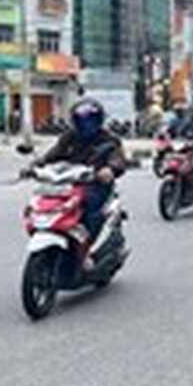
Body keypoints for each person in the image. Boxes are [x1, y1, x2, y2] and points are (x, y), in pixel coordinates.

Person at [32, 98, 127, 269]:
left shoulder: (109, 139)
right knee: (47, 202)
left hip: (96, 184)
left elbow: (118, 159)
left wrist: (110, 169)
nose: (87, 125)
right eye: (82, 121)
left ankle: (87, 250)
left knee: (90, 210)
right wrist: (37, 164)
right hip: (70, 182)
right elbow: (54, 154)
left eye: (90, 120)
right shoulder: (69, 137)